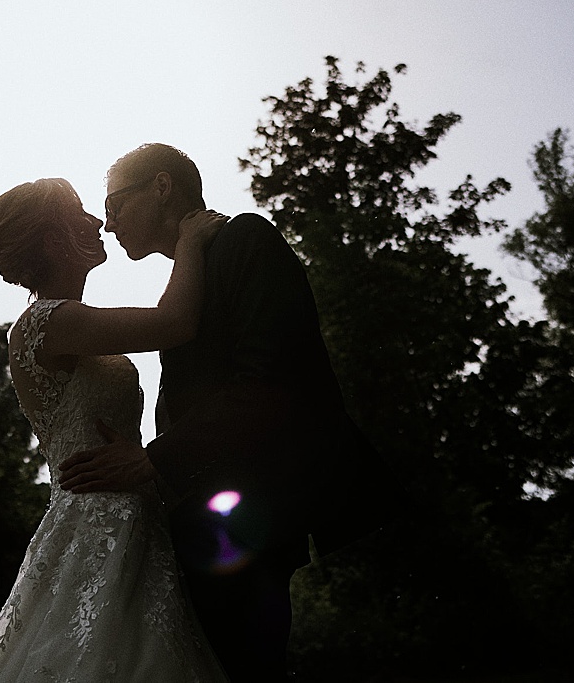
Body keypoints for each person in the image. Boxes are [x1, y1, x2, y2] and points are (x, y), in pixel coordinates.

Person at [59, 143, 411, 681]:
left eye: (113, 206)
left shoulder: (246, 239)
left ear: (160, 186)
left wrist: (155, 461)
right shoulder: (190, 277)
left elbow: (269, 382)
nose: (107, 225)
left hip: (249, 518)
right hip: (199, 516)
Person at [0, 177, 229, 683]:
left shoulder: (67, 322)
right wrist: (192, 242)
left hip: (131, 511)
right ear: (53, 239)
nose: (97, 222)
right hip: (99, 517)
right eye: (81, 213)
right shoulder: (50, 322)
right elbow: (174, 323)